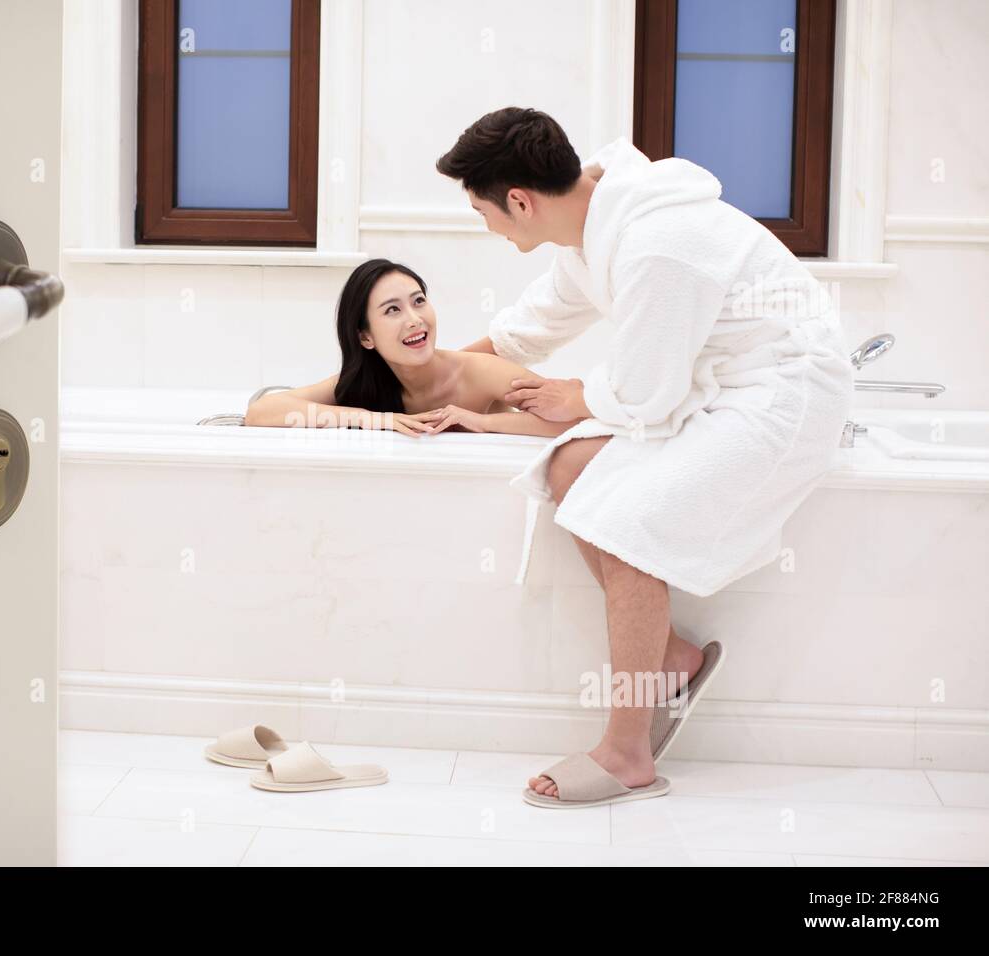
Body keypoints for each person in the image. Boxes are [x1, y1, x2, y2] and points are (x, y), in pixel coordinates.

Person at [436, 107, 854, 808]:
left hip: (784, 396)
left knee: (626, 528)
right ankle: (674, 659)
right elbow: (525, 331)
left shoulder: (659, 242)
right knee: (569, 468)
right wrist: (417, 382)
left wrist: (576, 394)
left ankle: (628, 753)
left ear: (519, 201)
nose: (487, 227)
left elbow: (646, 394)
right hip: (712, 389)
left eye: (483, 212)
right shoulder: (590, 229)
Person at [245, 257, 586, 441]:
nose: (414, 319)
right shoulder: (368, 383)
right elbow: (261, 413)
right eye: (392, 310)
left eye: (418, 302)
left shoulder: (478, 371)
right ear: (366, 338)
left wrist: (483, 422)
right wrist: (377, 421)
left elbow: (573, 422)